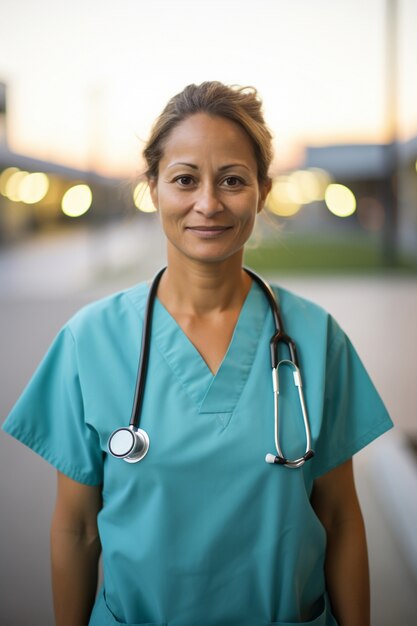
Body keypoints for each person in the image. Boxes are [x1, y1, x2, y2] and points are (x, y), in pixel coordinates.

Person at [2, 81, 393, 626]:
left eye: (232, 180)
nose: (208, 203)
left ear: (262, 190)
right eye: (185, 179)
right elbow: (78, 528)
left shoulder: (316, 338)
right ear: (154, 188)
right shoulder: (88, 342)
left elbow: (341, 517)